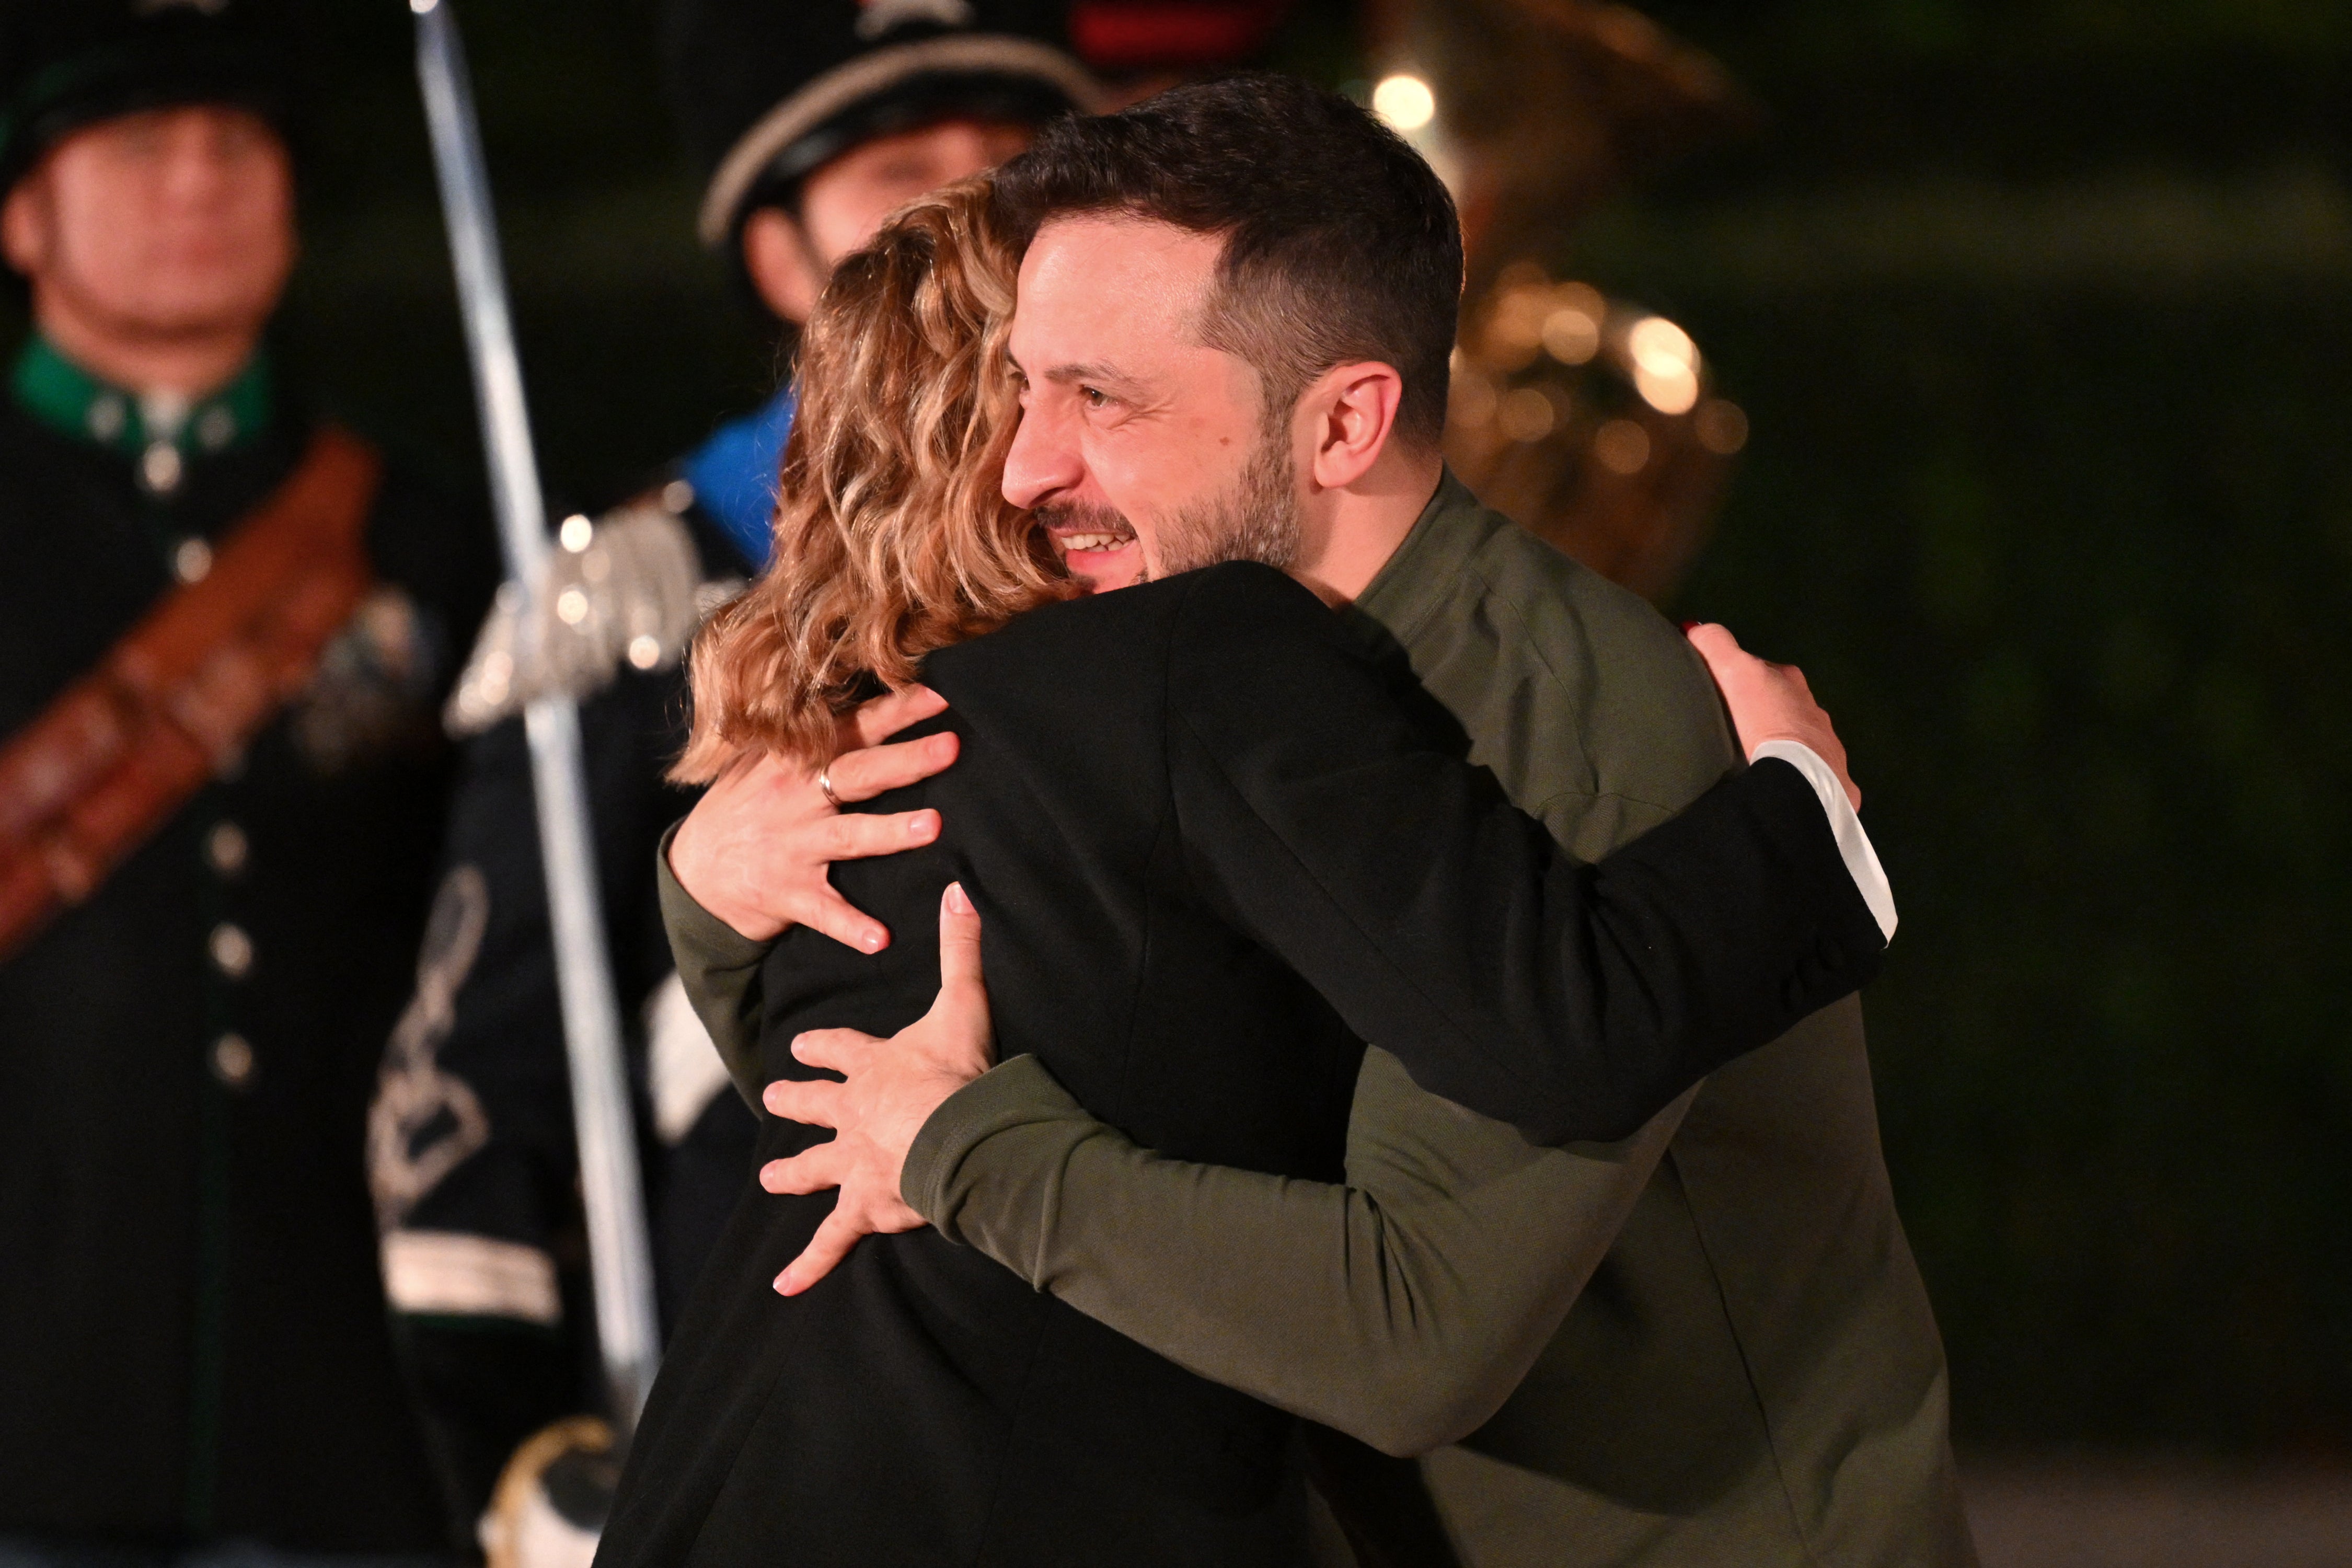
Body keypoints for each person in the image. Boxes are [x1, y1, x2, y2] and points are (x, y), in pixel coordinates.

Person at [659, 77, 1976, 1566]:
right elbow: (896, 1099)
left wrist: (972, 1156)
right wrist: (711, 890)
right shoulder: (1193, 697)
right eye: (1028, 387)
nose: (1024, 467)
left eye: (1104, 399)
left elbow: (1411, 1343)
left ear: (1344, 421)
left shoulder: (1556, 713)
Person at [363, 0, 1104, 1532]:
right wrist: (523, 1468)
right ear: (778, 255)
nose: (976, 210)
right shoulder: (643, 605)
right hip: (758, 1427)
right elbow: (463, 1114)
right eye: (902, 165)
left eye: (1018, 159)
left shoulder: (1166, 561)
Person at [0, 1, 501, 1562]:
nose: (199, 183)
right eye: (141, 146)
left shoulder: (423, 538)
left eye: (240, 146)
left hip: (338, 1408)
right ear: (23, 211)